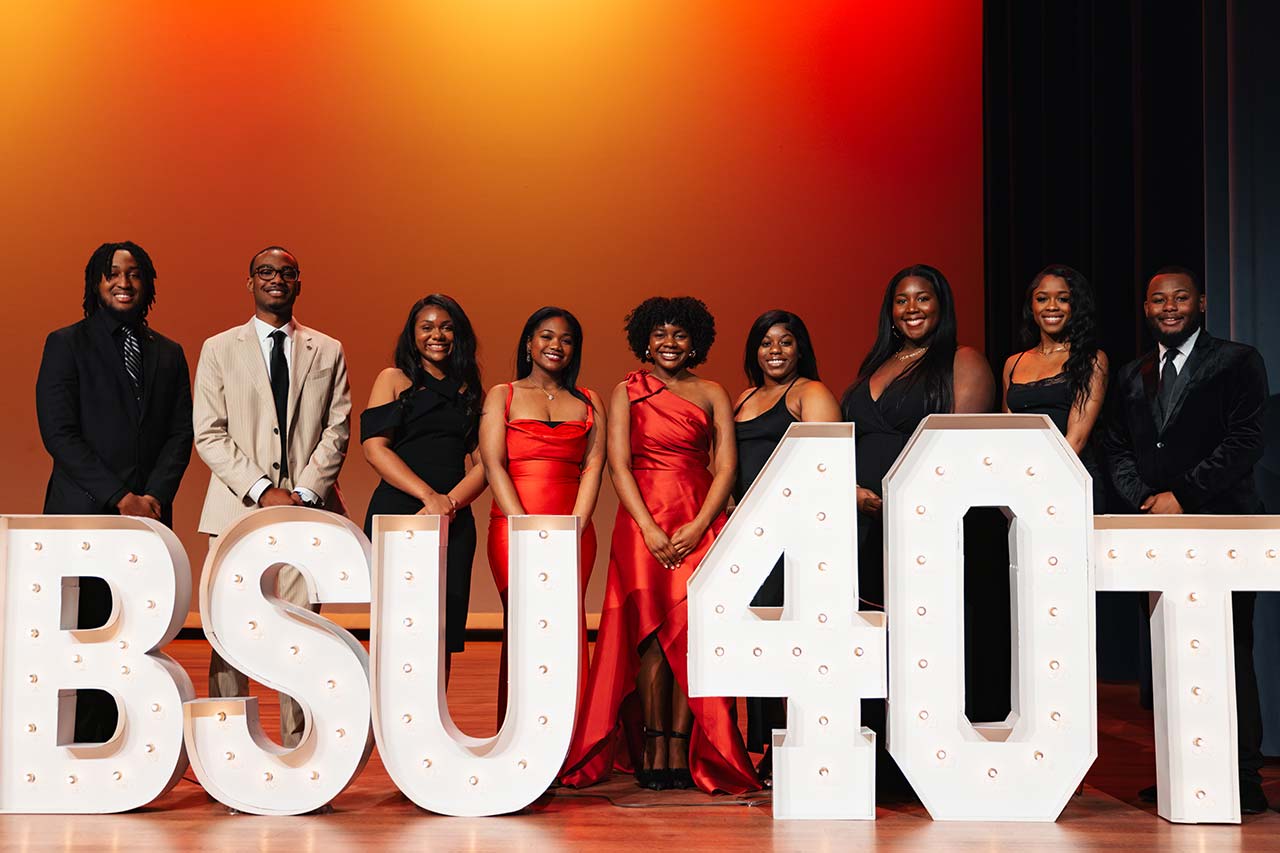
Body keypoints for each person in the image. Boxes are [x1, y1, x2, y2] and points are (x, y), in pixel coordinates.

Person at [561, 296, 757, 794]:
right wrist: (648, 527)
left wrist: (700, 525)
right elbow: (618, 463)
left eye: (680, 335)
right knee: (648, 637)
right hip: (642, 521)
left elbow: (727, 466)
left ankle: (684, 742)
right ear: (645, 340)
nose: (670, 343)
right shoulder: (627, 391)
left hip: (698, 518)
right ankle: (654, 744)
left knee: (693, 636)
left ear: (696, 343)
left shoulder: (713, 392)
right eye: (661, 335)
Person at [1103, 266, 1270, 814]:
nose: (1168, 307)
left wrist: (1183, 496)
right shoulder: (1132, 373)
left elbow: (1245, 440)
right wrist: (1144, 499)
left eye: (1179, 298)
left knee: (1230, 648)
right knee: (1166, 650)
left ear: (1201, 302)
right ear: (1145, 308)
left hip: (1221, 526)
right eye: (1157, 300)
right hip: (1156, 532)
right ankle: (1181, 768)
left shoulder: (1238, 360)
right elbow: (1118, 447)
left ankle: (1243, 778)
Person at [841, 264, 995, 792]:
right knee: (878, 642)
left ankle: (934, 761)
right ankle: (883, 756)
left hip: (928, 530)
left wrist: (907, 502)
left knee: (930, 639)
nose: (911, 309)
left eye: (923, 299)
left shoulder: (962, 360)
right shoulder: (876, 365)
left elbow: (962, 446)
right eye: (901, 300)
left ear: (941, 304)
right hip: (866, 530)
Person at [193, 245, 351, 748]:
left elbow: (338, 427)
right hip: (236, 513)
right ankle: (227, 752)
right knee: (228, 634)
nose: (275, 279)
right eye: (265, 272)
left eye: (286, 273)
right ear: (250, 283)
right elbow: (209, 433)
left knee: (302, 634)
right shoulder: (219, 348)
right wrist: (264, 491)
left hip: (306, 516)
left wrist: (302, 492)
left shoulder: (327, 349)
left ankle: (300, 750)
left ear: (299, 283)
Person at [36, 241, 193, 743]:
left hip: (146, 522)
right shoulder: (66, 343)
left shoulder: (168, 354)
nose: (123, 282)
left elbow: (179, 434)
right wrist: (120, 497)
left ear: (147, 285)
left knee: (135, 639)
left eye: (134, 274)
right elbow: (59, 434)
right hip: (82, 516)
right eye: (112, 274)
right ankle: (80, 748)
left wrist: (153, 499)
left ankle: (126, 747)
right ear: (95, 283)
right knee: (82, 641)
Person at [480, 306, 605, 725]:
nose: (556, 346)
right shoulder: (504, 394)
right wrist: (522, 528)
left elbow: (594, 465)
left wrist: (577, 525)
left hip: (573, 530)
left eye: (567, 339)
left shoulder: (589, 401)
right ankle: (520, 733)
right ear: (529, 344)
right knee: (524, 626)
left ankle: (568, 740)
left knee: (565, 629)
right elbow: (493, 463)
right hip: (513, 528)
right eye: (547, 336)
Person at [730, 309, 840, 783]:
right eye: (765, 343)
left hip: (795, 538)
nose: (775, 351)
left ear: (802, 349)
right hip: (751, 538)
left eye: (786, 342)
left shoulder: (810, 394)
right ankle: (773, 743)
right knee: (763, 644)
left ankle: (800, 743)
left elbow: (827, 468)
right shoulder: (744, 398)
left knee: (795, 644)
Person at [362, 294, 487, 682]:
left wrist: (449, 503)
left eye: (446, 327)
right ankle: (394, 726)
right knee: (398, 626)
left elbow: (487, 465)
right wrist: (427, 497)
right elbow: (374, 448)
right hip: (402, 513)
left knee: (441, 632)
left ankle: (434, 723)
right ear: (412, 334)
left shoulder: (468, 390)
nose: (437, 335)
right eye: (427, 327)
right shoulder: (393, 378)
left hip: (453, 518)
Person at [1002, 265, 1108, 505]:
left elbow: (1077, 439)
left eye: (1063, 299)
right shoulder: (1013, 363)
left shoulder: (1092, 359)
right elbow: (1007, 432)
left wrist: (1039, 481)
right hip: (1022, 486)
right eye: (1042, 299)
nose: (1051, 306)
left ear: (1076, 306)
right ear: (1032, 306)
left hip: (1068, 481)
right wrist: (1014, 484)